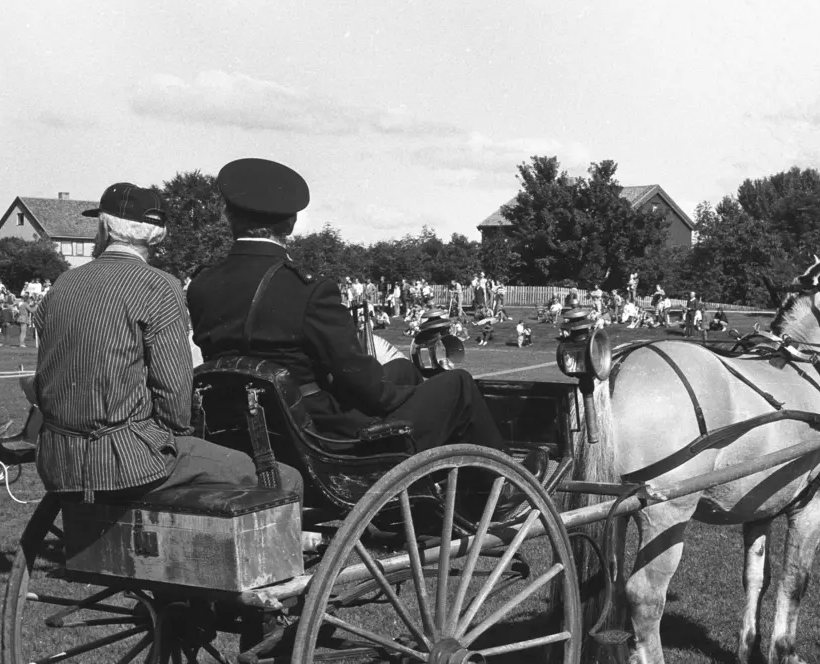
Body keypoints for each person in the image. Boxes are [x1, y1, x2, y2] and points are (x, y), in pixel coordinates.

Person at [186, 159, 544, 500]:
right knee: (458, 385)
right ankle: (500, 487)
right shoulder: (308, 289)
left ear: (228, 216)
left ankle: (434, 484)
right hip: (325, 442)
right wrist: (397, 395)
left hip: (255, 429)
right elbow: (367, 390)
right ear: (290, 224)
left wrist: (398, 384)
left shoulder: (202, 285)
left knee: (403, 369)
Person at [32, 182, 301, 504]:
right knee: (287, 478)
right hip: (128, 461)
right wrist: (169, 432)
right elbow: (174, 397)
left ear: (104, 227)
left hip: (57, 460)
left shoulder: (63, 283)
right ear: (158, 234)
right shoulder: (159, 285)